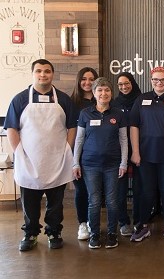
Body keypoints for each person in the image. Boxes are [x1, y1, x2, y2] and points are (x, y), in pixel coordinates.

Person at [5, 59, 77, 251]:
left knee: (55, 203)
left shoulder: (63, 99)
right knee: (30, 203)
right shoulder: (19, 99)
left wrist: (67, 150)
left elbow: (72, 127)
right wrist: (19, 152)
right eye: (39, 71)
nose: (43, 75)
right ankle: (30, 233)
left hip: (57, 160)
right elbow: (11, 128)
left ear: (52, 74)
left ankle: (54, 231)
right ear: (33, 74)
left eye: (47, 71)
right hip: (29, 160)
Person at [129, 67, 164, 243]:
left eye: (162, 80)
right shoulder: (141, 99)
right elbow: (134, 127)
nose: (159, 83)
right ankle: (143, 226)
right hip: (145, 155)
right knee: (147, 191)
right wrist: (135, 152)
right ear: (151, 80)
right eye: (155, 80)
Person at [73, 77, 128, 249]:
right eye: (100, 90)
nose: (103, 93)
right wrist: (75, 163)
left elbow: (124, 140)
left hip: (113, 165)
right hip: (90, 165)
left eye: (107, 90)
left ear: (111, 93)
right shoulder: (85, 113)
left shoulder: (118, 114)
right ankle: (95, 234)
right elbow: (79, 140)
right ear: (94, 93)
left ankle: (112, 233)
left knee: (112, 201)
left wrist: (124, 163)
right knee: (94, 201)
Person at [70, 67, 98, 241]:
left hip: (97, 155)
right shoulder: (71, 102)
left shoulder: (103, 100)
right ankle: (83, 223)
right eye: (84, 79)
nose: (87, 82)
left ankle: (93, 223)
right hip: (77, 154)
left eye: (91, 79)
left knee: (94, 193)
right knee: (81, 190)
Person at [112, 72, 142, 237]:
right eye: (120, 84)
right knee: (120, 189)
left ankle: (139, 220)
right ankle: (123, 222)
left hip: (139, 150)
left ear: (132, 83)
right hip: (120, 152)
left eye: (127, 83)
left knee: (139, 188)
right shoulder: (114, 103)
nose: (124, 87)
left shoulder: (142, 100)